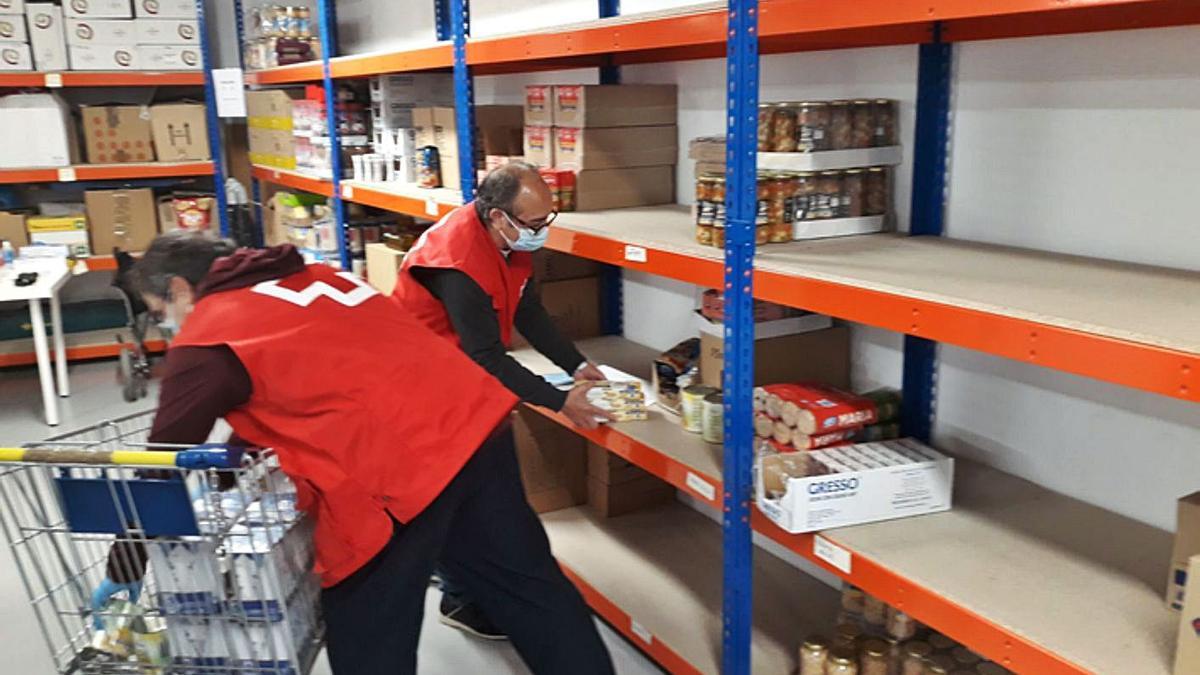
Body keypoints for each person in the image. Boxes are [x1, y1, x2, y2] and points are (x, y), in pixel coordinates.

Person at [118, 232, 614, 675]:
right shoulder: (319, 278)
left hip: (401, 476)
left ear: (181, 289)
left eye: (161, 314)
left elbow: (162, 461)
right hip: (478, 429)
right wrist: (231, 480)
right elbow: (300, 382)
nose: (168, 328)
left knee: (367, 636)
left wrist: (124, 569)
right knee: (533, 591)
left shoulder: (209, 335)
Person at [393, 162, 614, 639]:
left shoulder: (510, 240)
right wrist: (559, 402)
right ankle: (458, 597)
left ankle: (467, 578)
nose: (541, 233)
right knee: (455, 495)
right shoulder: (457, 263)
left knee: (481, 496)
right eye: (535, 225)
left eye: (546, 222)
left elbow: (528, 309)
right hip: (426, 387)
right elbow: (487, 356)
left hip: (463, 381)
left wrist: (575, 365)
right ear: (497, 216)